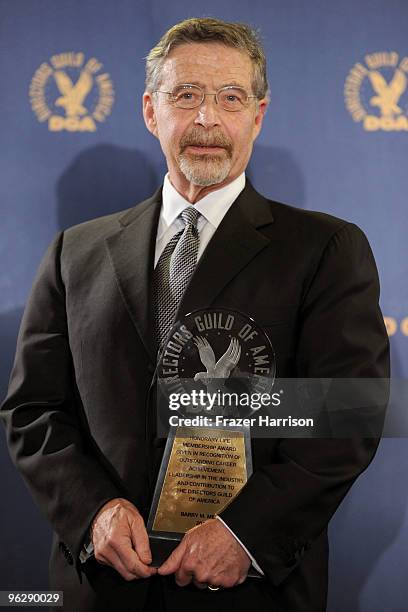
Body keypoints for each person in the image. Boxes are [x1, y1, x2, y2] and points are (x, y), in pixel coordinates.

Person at [1, 17, 389, 612]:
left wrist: (243, 534)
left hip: (250, 591)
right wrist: (94, 513)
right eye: (186, 96)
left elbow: (347, 413)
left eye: (230, 98)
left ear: (257, 117)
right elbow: (34, 411)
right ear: (151, 112)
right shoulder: (73, 252)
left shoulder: (325, 250)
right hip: (101, 589)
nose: (207, 118)